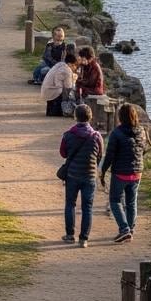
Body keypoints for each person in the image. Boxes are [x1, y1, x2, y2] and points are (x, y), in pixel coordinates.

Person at [59, 103, 103, 247]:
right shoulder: (96, 136)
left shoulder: (68, 134)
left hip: (72, 174)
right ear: (90, 117)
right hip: (89, 175)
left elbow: (63, 153)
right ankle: (84, 238)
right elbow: (99, 155)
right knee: (87, 207)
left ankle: (70, 234)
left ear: (75, 117)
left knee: (70, 204)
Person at [100, 102, 145, 243]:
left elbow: (110, 155)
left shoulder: (117, 133)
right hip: (137, 172)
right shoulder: (142, 131)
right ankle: (130, 229)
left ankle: (124, 229)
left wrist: (103, 171)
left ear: (120, 117)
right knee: (132, 202)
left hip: (120, 172)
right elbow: (142, 150)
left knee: (115, 201)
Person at [41, 52, 78, 117]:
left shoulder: (60, 64)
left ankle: (52, 111)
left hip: (47, 90)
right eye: (75, 65)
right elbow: (68, 87)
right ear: (70, 64)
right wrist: (74, 80)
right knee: (68, 92)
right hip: (54, 92)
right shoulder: (67, 70)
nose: (75, 68)